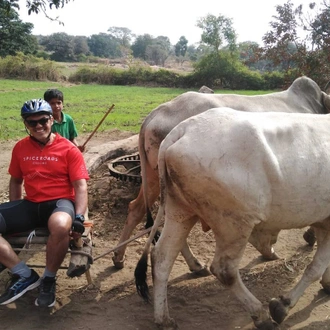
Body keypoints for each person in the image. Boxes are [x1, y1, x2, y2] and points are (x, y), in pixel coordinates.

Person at [0, 99, 89, 307]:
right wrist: (15, 215)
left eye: (43, 120)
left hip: (59, 203)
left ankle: (48, 279)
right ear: (26, 124)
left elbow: (80, 186)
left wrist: (79, 217)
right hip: (31, 204)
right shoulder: (20, 148)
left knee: (60, 225)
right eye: (32, 123)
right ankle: (24, 275)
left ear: (52, 120)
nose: (38, 126)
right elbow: (16, 180)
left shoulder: (68, 149)